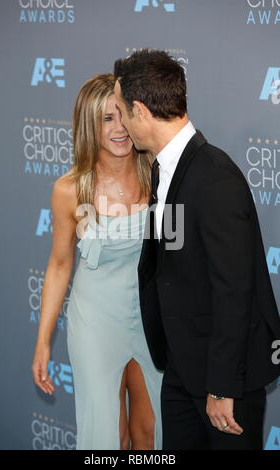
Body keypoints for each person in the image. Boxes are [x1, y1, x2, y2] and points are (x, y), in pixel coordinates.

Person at [113, 49, 280, 450]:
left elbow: (235, 289)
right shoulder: (164, 168)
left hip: (224, 381)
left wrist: (222, 387)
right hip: (183, 368)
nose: (119, 122)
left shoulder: (214, 176)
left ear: (139, 110)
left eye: (120, 111)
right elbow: (172, 264)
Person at [31, 73, 164, 450]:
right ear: (88, 125)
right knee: (108, 435)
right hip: (95, 321)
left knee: (150, 430)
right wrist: (43, 343)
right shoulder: (69, 189)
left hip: (151, 317)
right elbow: (59, 265)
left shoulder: (158, 174)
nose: (119, 128)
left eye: (123, 114)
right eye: (106, 119)